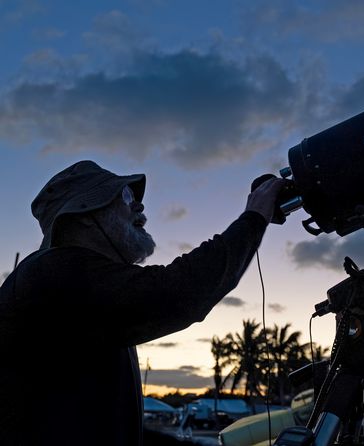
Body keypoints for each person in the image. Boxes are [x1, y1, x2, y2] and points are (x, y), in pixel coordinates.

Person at [0, 160, 285, 445]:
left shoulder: (87, 296)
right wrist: (254, 218)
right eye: (125, 196)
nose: (139, 207)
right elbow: (179, 292)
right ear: (84, 213)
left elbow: (104, 426)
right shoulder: (54, 273)